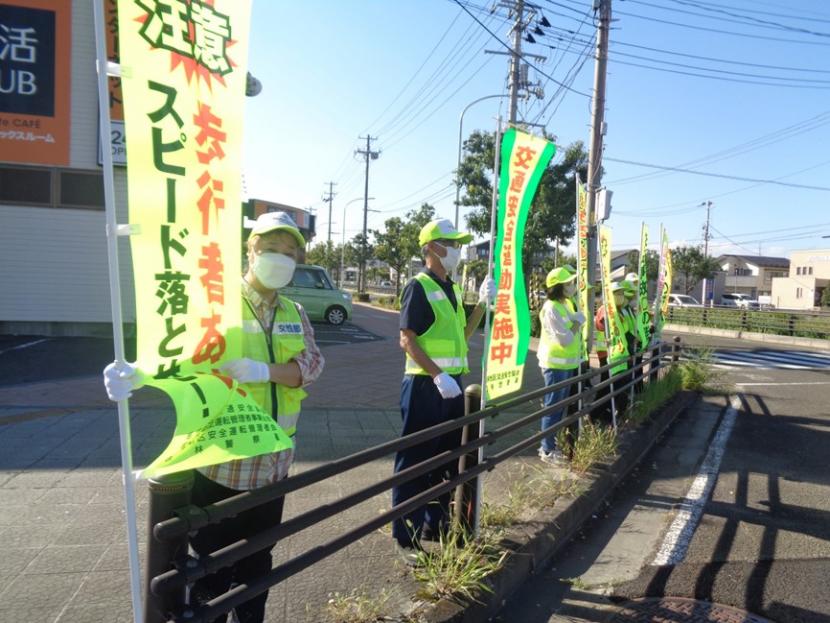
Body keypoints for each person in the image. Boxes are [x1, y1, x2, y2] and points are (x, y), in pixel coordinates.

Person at [103, 211, 324, 623]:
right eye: (271, 249)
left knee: (259, 564)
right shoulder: (217, 303)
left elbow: (312, 365)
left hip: (274, 467)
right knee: (210, 570)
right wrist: (136, 374)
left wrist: (265, 371)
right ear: (250, 249)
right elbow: (177, 353)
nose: (281, 258)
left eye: (290, 252)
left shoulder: (295, 310)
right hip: (222, 466)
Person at [392, 218, 495, 563]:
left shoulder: (450, 288)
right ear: (433, 247)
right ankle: (405, 538)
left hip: (452, 385)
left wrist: (482, 305)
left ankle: (431, 525)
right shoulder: (418, 286)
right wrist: (437, 375)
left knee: (446, 460)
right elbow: (406, 339)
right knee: (416, 462)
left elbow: (461, 338)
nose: (458, 250)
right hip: (425, 385)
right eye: (453, 244)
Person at [536, 266, 585, 465]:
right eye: (569, 283)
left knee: (559, 407)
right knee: (553, 407)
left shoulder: (565, 304)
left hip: (565, 365)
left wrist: (575, 319)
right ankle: (546, 449)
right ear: (558, 287)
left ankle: (551, 445)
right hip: (554, 365)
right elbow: (564, 339)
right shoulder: (551, 308)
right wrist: (577, 323)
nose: (572, 286)